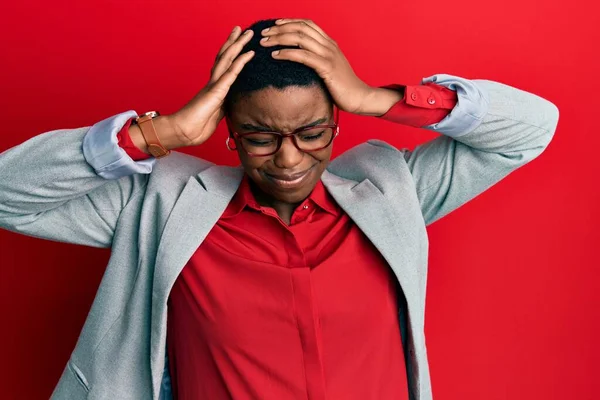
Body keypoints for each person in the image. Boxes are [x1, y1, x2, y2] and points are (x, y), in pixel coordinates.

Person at [0, 18, 558, 400]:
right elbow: (9, 194)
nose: (289, 158)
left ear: (337, 122)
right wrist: (160, 132)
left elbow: (532, 129)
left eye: (312, 132)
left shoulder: (392, 191)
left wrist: (375, 98)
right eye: (261, 137)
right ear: (231, 136)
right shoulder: (163, 206)